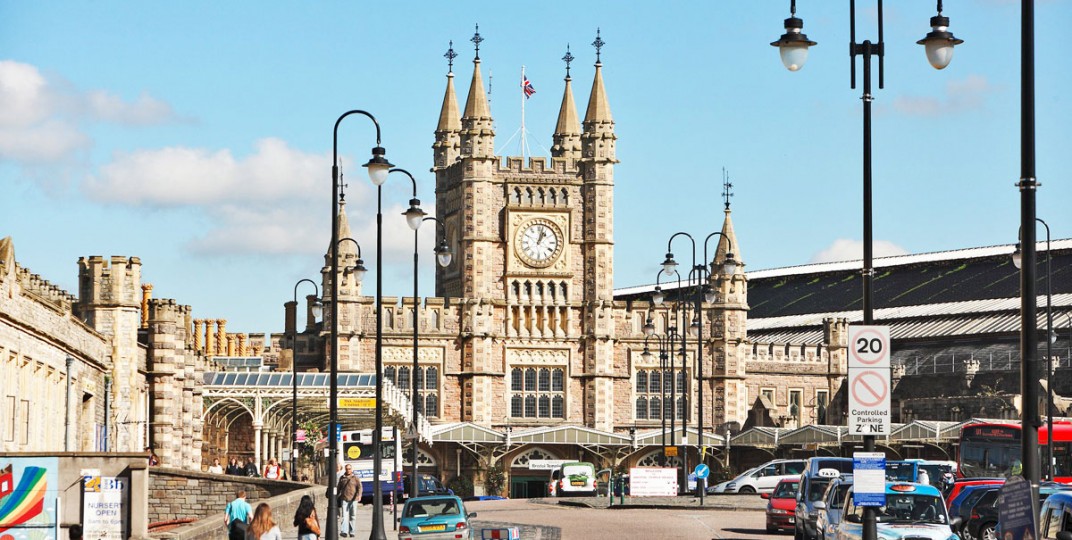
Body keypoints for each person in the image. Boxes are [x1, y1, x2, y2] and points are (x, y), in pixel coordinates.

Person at [337, 464, 363, 537]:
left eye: (349, 469)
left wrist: (359, 495)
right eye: (347, 469)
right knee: (344, 516)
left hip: (354, 499)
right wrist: (335, 496)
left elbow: (360, 487)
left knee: (353, 516)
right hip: (344, 499)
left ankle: (352, 532)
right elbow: (339, 488)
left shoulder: (355, 478)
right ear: (345, 469)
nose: (348, 470)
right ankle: (344, 531)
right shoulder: (342, 478)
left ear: (351, 470)